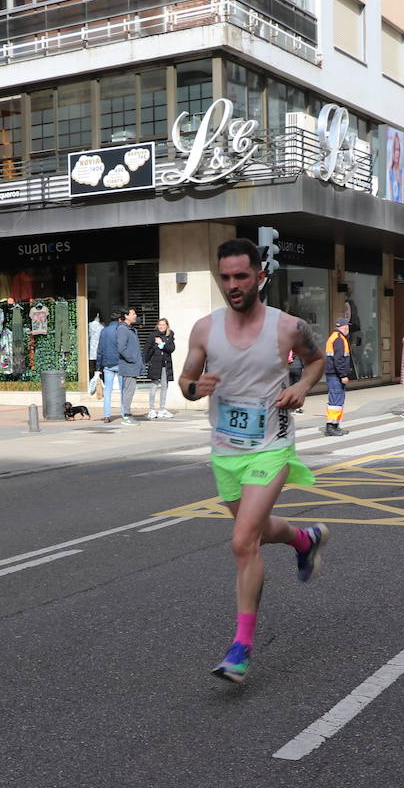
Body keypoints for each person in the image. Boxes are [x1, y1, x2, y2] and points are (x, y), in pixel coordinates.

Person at [176, 237, 330, 684]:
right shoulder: (205, 328)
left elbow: (317, 360)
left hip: (271, 446)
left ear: (260, 275)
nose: (233, 285)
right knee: (258, 532)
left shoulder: (288, 328)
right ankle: (304, 540)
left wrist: (301, 387)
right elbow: (186, 379)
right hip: (226, 451)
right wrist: (193, 388)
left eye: (241, 276)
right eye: (225, 277)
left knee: (243, 541)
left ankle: (241, 648)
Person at [323, 317, 352, 436]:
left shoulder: (335, 337)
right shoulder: (339, 339)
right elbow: (338, 359)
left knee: (336, 400)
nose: (348, 329)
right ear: (345, 327)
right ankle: (331, 426)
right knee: (335, 401)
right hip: (335, 375)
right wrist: (343, 375)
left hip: (333, 374)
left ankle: (335, 425)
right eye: (348, 326)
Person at [114, 307, 143, 425]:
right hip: (128, 366)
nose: (135, 315)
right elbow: (121, 348)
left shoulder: (131, 329)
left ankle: (127, 414)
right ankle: (126, 416)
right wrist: (132, 359)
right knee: (128, 391)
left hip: (133, 365)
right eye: (133, 314)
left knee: (130, 391)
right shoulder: (122, 329)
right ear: (126, 316)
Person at [143, 318, 176, 419]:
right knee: (154, 385)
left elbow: (172, 348)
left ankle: (162, 409)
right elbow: (146, 349)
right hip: (155, 364)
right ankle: (152, 410)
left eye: (163, 325)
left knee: (164, 386)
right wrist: (145, 361)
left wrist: (162, 344)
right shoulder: (153, 335)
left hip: (165, 365)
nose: (161, 326)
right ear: (157, 325)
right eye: (160, 325)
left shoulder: (169, 335)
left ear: (167, 326)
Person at [96, 309, 122, 422]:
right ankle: (123, 414)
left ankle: (107, 415)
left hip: (107, 363)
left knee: (107, 391)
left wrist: (98, 367)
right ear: (120, 319)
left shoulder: (104, 331)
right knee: (123, 390)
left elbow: (100, 349)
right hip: (121, 362)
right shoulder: (121, 330)